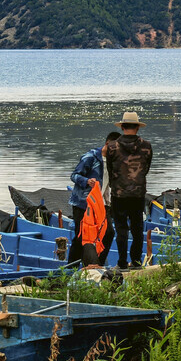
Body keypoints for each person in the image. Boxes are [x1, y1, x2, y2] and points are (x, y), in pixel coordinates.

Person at [105, 111, 153, 270]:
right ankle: (137, 262)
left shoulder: (112, 147)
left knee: (121, 229)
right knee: (137, 227)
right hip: (138, 193)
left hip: (119, 193)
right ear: (137, 128)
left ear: (123, 127)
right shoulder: (146, 146)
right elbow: (146, 169)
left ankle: (122, 263)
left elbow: (110, 169)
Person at [67, 131, 120, 266]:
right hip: (83, 203)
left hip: (102, 204)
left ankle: (97, 264)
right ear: (108, 144)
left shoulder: (114, 161)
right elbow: (74, 175)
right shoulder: (91, 157)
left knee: (108, 233)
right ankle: (70, 269)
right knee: (81, 237)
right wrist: (86, 181)